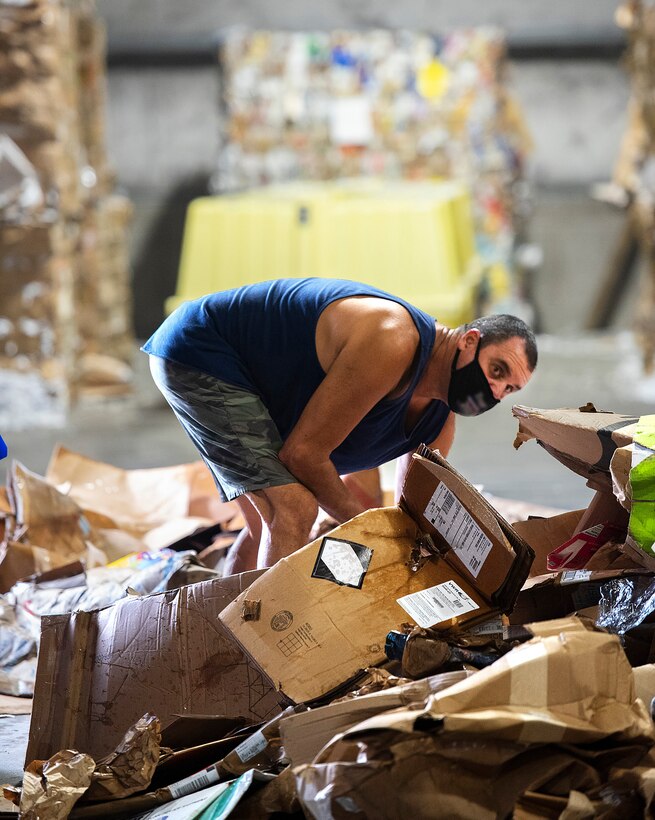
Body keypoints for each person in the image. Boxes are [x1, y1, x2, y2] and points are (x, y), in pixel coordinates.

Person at [143, 278, 537, 573]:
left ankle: (216, 626)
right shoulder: (393, 340)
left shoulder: (437, 424)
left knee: (274, 521)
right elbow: (303, 455)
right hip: (203, 350)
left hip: (261, 388)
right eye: (495, 370)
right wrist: (368, 537)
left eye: (508, 388)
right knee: (294, 508)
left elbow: (405, 515)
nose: (494, 390)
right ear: (469, 341)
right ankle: (257, 658)